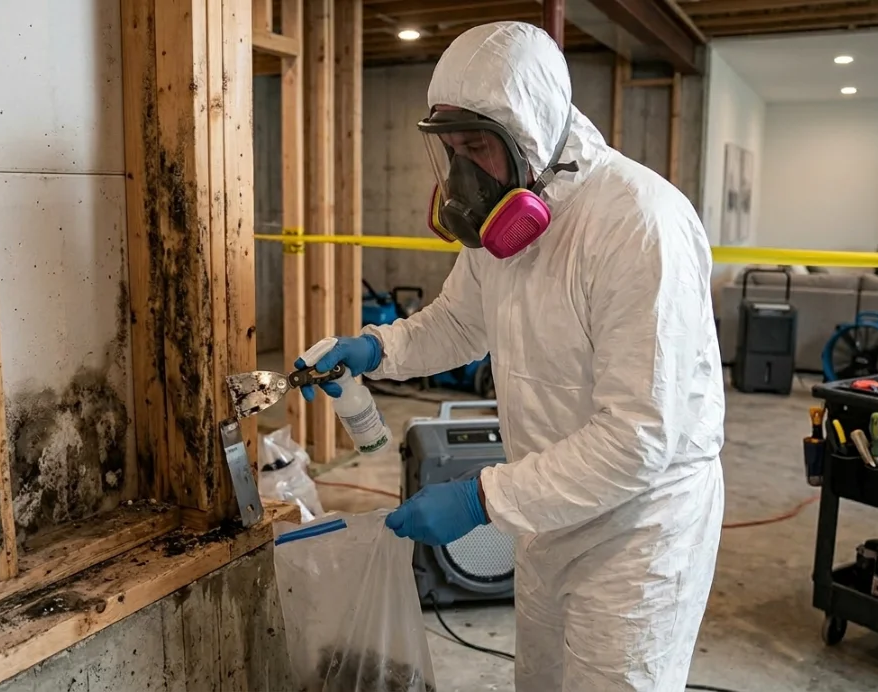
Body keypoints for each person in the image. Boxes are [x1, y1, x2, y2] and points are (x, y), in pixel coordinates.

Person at [295, 21, 726, 692]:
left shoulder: (639, 224)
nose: (463, 173)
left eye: (478, 148)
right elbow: (459, 322)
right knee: (543, 681)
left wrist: (483, 498)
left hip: (639, 527)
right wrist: (377, 348)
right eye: (452, 150)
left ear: (530, 134)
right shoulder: (503, 224)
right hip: (551, 505)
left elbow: (639, 439)